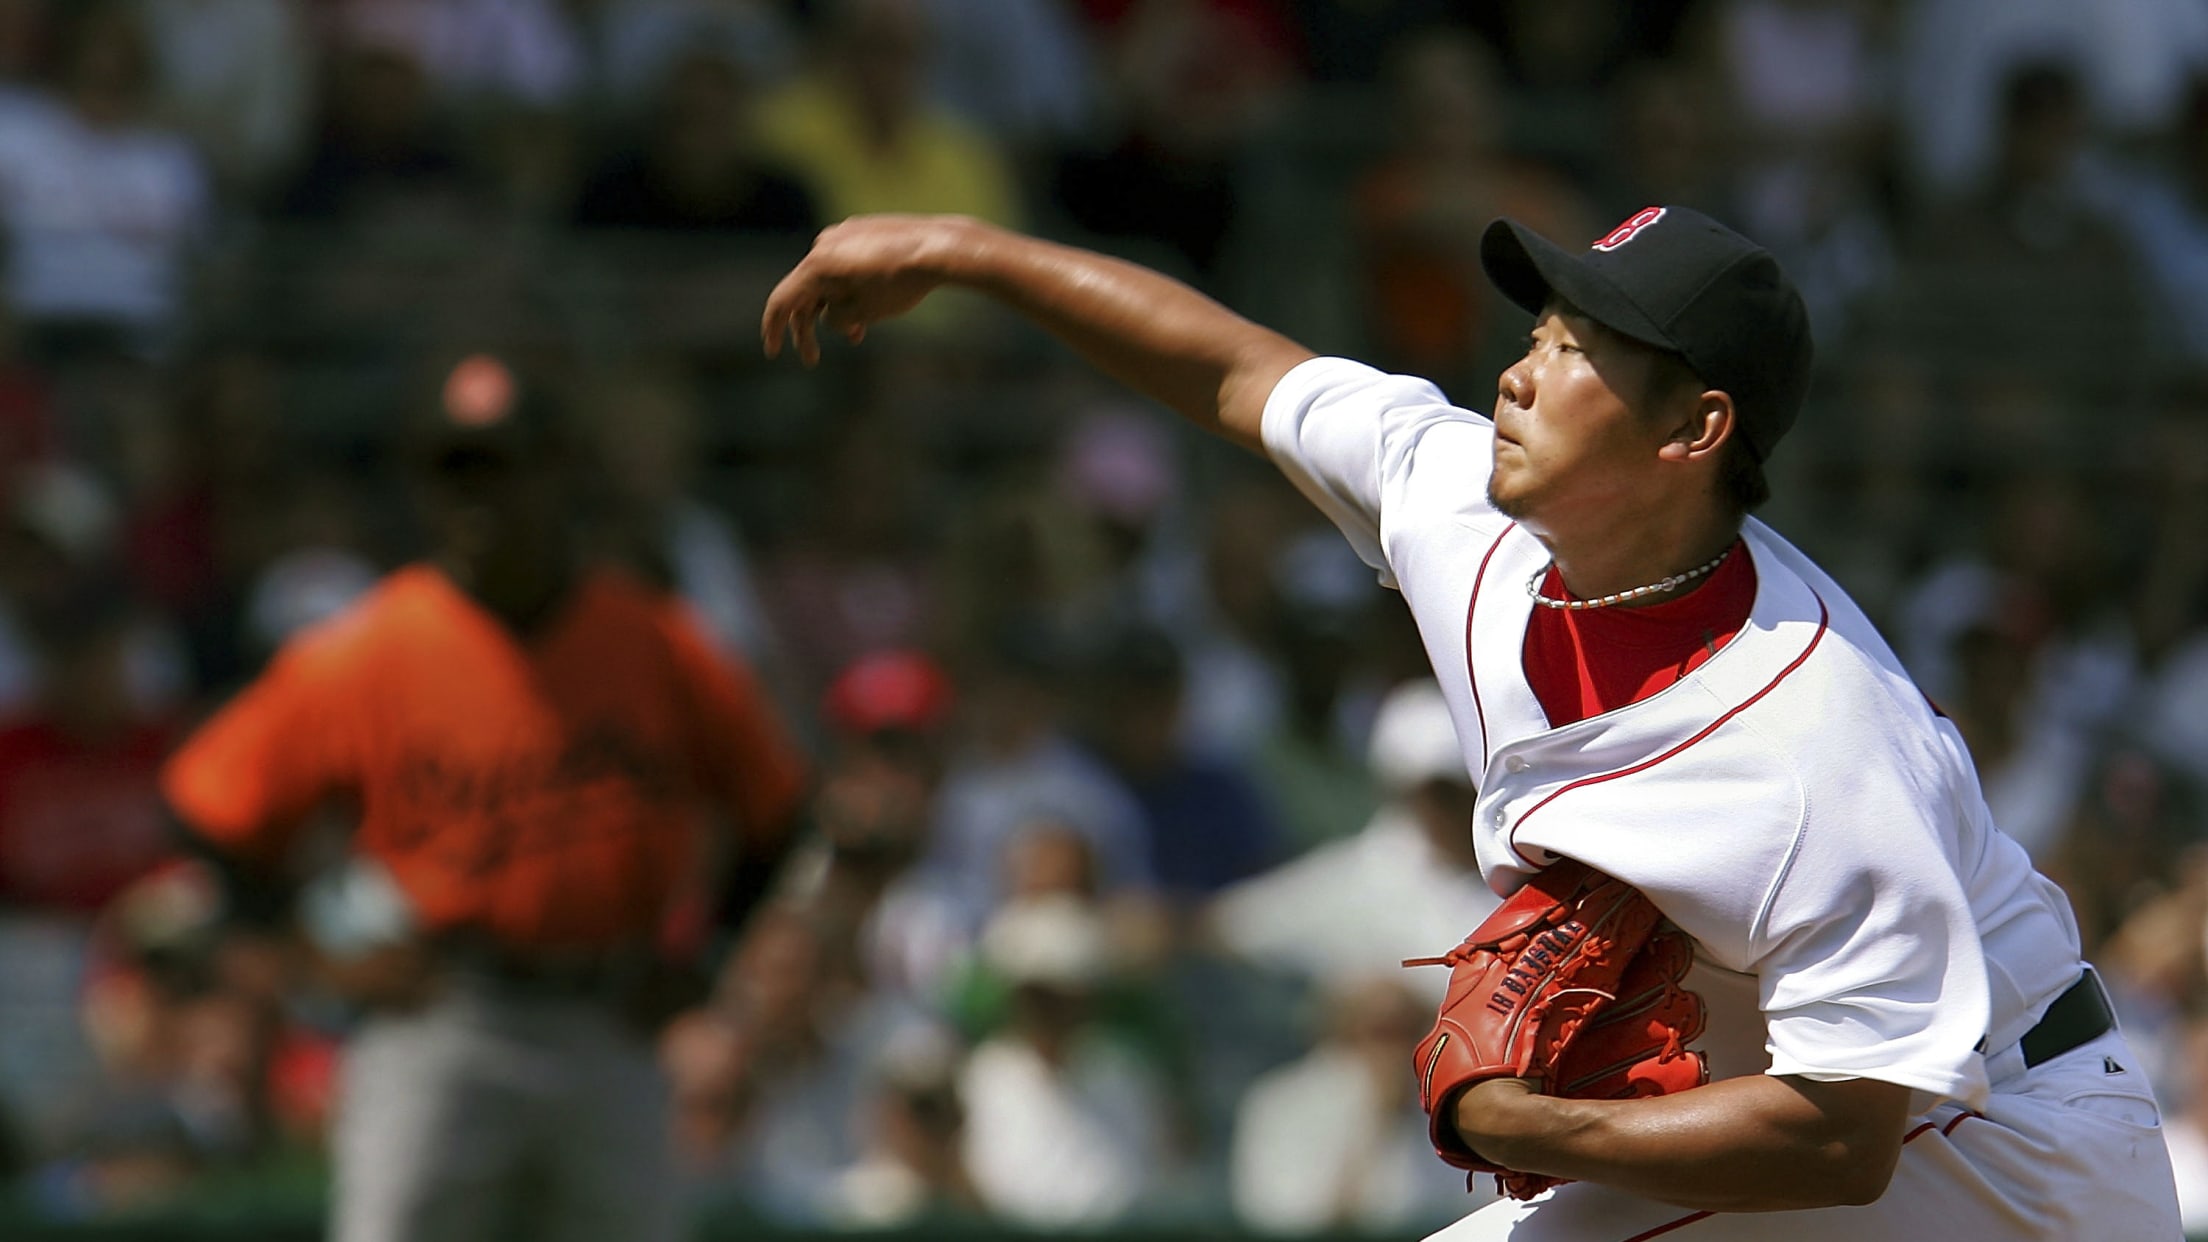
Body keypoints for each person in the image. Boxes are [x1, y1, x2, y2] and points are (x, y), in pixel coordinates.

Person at [760, 207, 2183, 1237]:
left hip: (1995, 1145)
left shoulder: (1815, 736)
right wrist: (966, 253)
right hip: (1843, 1110)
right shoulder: (1471, 516)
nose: (1515, 372)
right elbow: (1237, 373)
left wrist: (1530, 1127)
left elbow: (1845, 1131)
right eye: (1537, 331)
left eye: (1579, 352)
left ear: (1691, 432)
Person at [160, 352, 810, 1242]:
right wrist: (310, 948)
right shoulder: (376, 646)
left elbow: (777, 808)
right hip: (443, 1019)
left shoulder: (652, 642)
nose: (479, 498)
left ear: (559, 473)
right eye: (454, 471)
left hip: (607, 1020)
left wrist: (707, 960)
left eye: (503, 467)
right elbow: (209, 807)